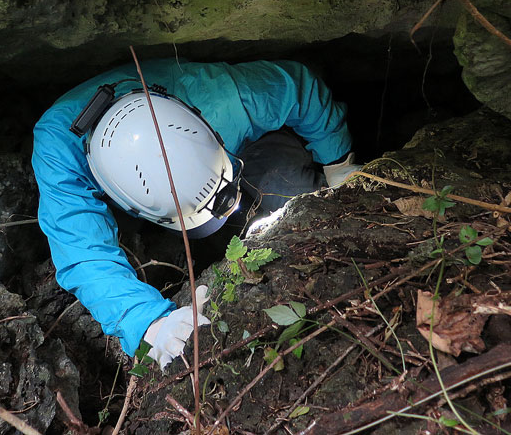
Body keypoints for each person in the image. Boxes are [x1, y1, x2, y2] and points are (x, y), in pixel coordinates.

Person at [32, 58, 361, 369]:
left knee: (293, 197)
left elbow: (299, 88)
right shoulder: (59, 149)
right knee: (223, 246)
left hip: (252, 150)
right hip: (150, 202)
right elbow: (82, 252)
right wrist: (147, 321)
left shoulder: (224, 100)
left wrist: (338, 163)